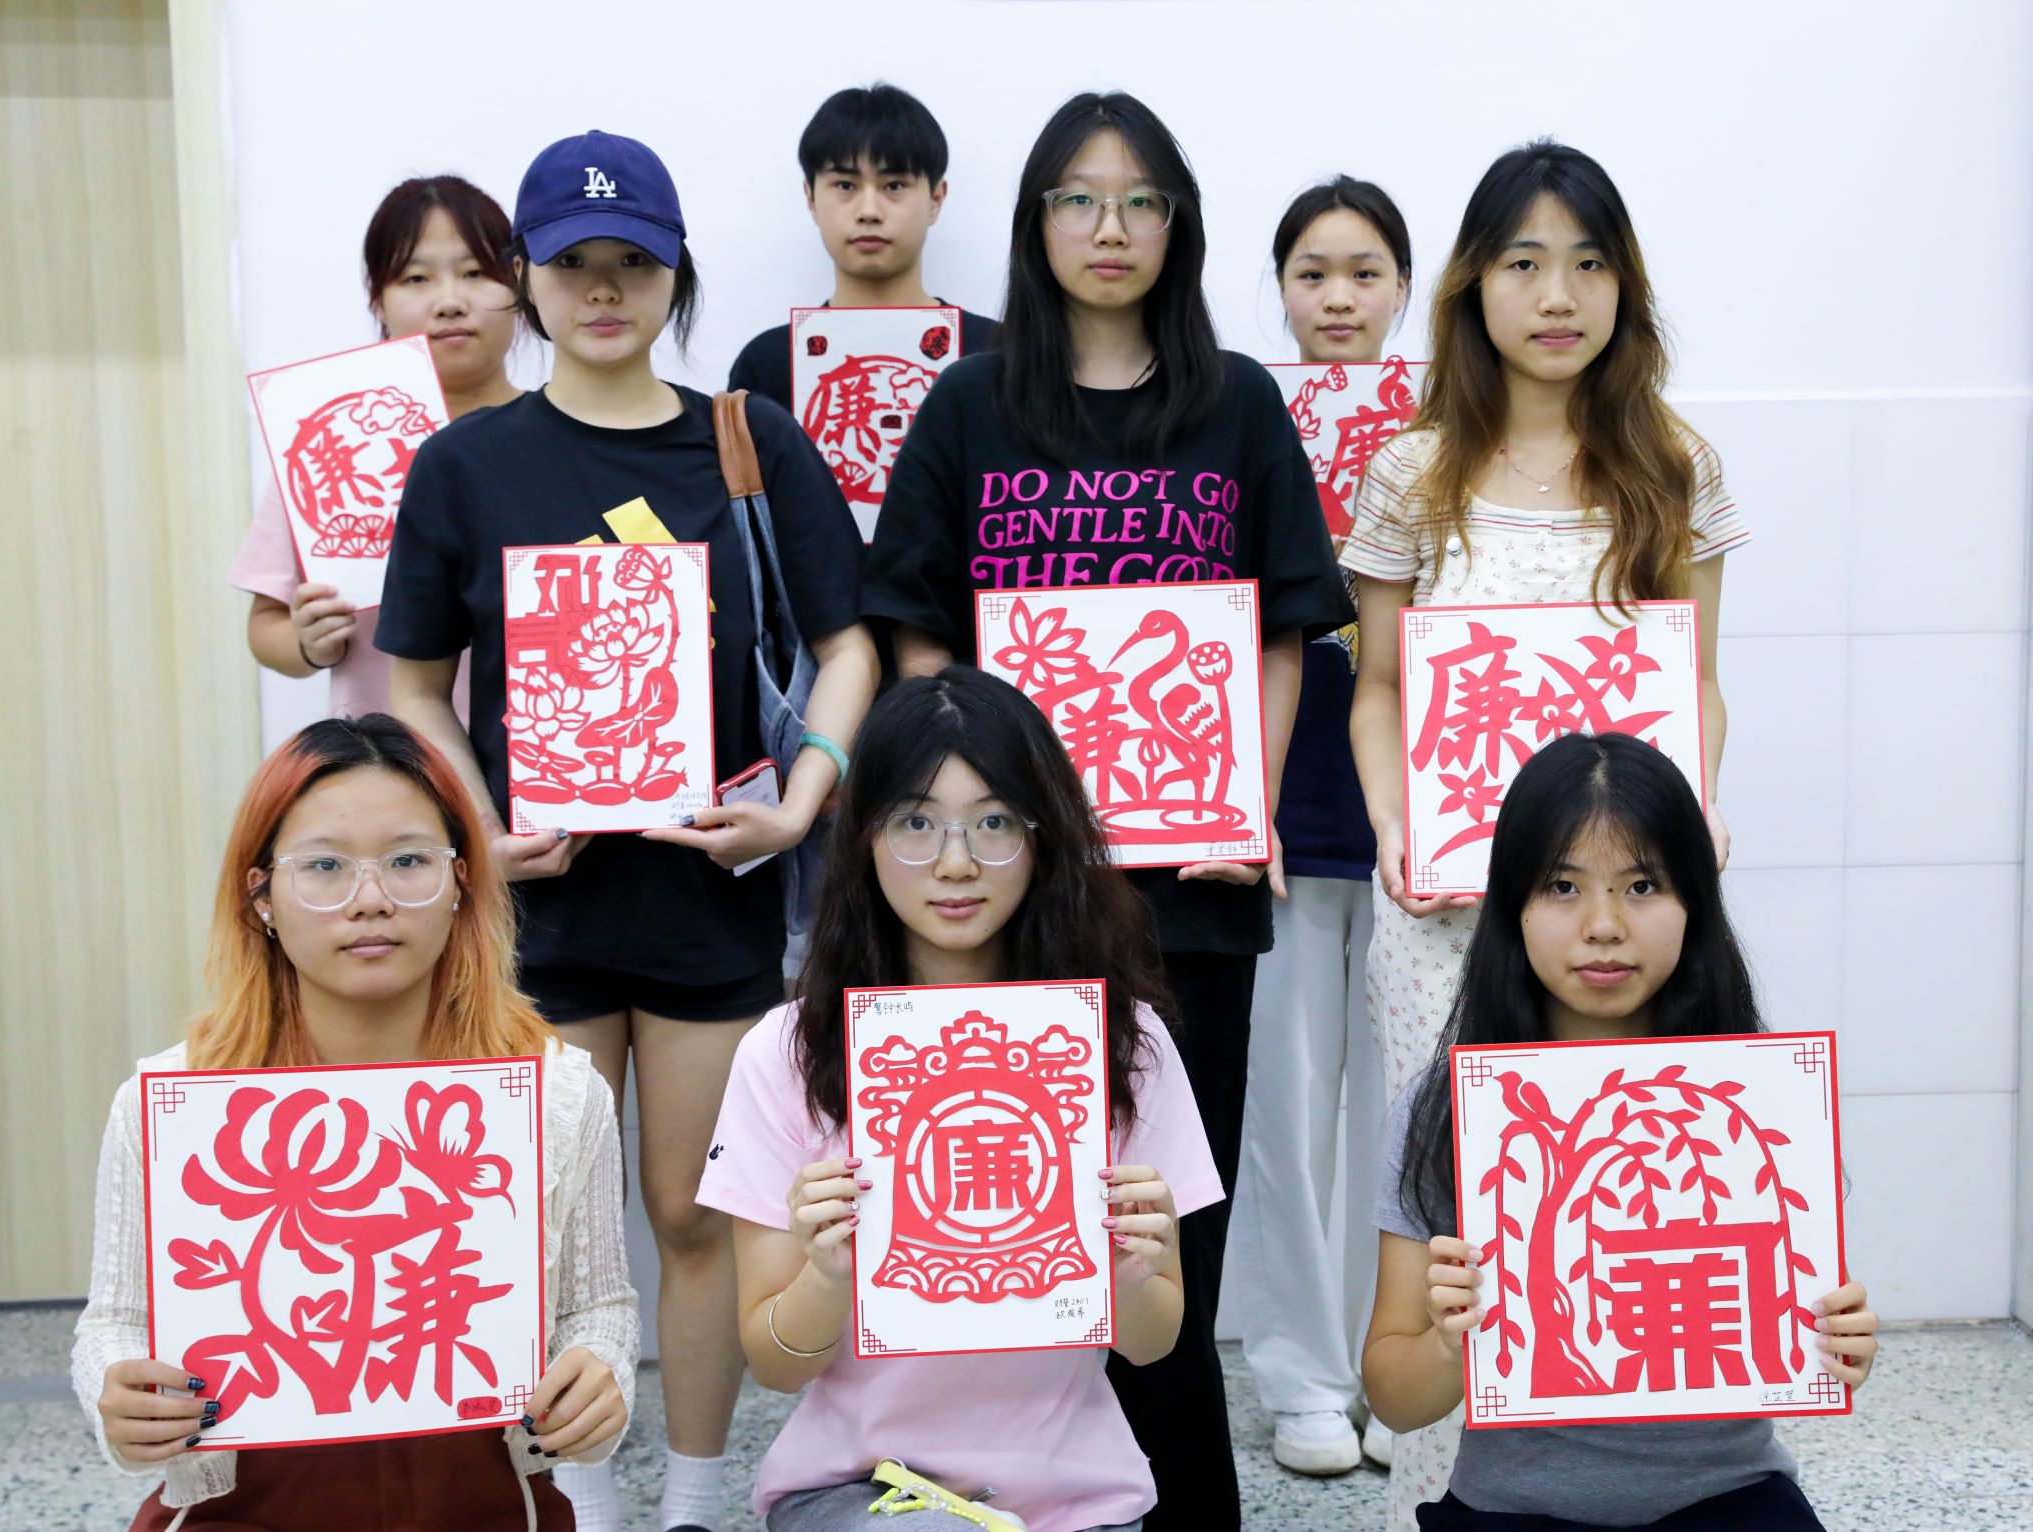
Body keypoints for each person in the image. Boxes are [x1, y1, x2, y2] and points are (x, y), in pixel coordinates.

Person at [378, 130, 878, 1532]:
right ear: (528, 280)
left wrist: (801, 801)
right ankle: (584, 1492)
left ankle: (699, 1494)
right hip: (535, 902)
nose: (603, 290)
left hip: (708, 893)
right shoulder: (466, 463)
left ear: (674, 275)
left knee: (691, 1211)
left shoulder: (746, 439)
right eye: (573, 265)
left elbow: (847, 645)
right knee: (550, 1219)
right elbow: (415, 687)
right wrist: (477, 831)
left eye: (634, 264)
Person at [863, 91, 1349, 1529]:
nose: (1110, 227)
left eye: (1140, 199)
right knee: (1013, 1226)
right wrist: (966, 822)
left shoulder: (1236, 403)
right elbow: (918, 636)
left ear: (1177, 224)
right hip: (1002, 892)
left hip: (1190, 892)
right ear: (1035, 224)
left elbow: (1278, 632)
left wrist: (1247, 803)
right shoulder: (970, 405)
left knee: (1164, 1242)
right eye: (1077, 198)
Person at [1342, 140, 1750, 1527]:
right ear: (1474, 285)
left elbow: (1696, 677)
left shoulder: (1672, 464)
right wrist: (1394, 820)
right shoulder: (1410, 472)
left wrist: (1700, 804)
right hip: (1449, 909)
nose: (1557, 294)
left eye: (1587, 263)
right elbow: (1378, 686)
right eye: (1523, 261)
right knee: (1459, 1207)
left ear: (1624, 286)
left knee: (1622, 1168)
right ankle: (1455, 1483)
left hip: (1620, 901)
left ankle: (1633, 1457)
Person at [71, 714, 637, 1532]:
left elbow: (600, 1308)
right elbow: (115, 1322)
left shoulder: (558, 1094)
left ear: (460, 881)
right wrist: (115, 1392)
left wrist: (602, 1373)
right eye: (324, 866)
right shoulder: (169, 1102)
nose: (370, 900)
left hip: (484, 1508)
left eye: (408, 861)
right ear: (260, 896)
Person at [696, 667, 1221, 1532]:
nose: (955, 863)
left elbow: (1152, 1341)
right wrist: (826, 1276)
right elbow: (777, 1365)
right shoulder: (786, 1052)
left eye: (994, 822)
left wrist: (1131, 1272)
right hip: (860, 1489)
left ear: (1044, 835)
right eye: (915, 822)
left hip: (1077, 1497)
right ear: (864, 837)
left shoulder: (1122, 1041)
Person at [1363, 731, 1879, 1529]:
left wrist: (1843, 1341)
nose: (1603, 924)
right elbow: (1393, 1398)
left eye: (1642, 886)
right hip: (1512, 1508)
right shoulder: (1446, 1110)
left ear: (1693, 903)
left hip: (1729, 1496)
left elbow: (1805, 1327)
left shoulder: (1763, 1103)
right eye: (1562, 886)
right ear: (1512, 906)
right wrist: (1445, 1346)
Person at [1226, 173, 1413, 1479]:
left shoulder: (1451, 430)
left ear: (1404, 287)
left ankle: (1396, 1364)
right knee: (1284, 1114)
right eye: (1312, 274)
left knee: (1404, 1109)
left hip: (1414, 817)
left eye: (1364, 273)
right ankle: (1299, 1374)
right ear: (1279, 289)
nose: (1338, 298)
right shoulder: (1238, 422)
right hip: (1277, 809)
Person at [231, 175, 521, 719]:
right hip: (386, 756)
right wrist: (307, 642)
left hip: (533, 756)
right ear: (377, 299)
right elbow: (265, 625)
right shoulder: (324, 448)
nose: (449, 301)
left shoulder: (559, 435)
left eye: (476, 273)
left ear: (520, 288)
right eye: (416, 278)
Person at [726, 82, 998, 412]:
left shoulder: (999, 352)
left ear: (936, 199)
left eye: (894, 185)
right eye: (845, 185)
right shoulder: (766, 364)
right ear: (811, 198)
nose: (869, 211)